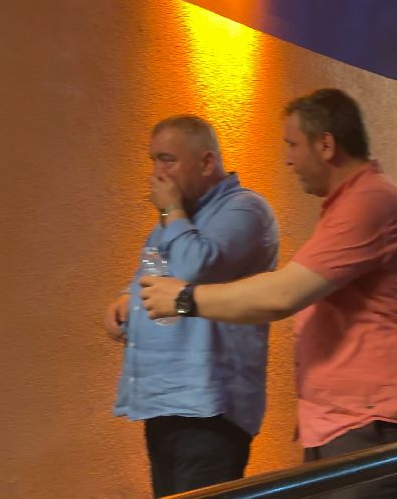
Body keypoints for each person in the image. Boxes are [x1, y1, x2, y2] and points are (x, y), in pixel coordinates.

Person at [140, 89, 397, 498]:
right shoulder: (349, 204)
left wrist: (184, 299)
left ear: (326, 145)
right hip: (346, 418)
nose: (288, 159)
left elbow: (284, 293)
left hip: (376, 419)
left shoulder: (371, 201)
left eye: (292, 144)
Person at [104, 115, 278, 497]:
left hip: (209, 409)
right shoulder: (175, 220)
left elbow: (192, 270)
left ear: (206, 162)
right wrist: (125, 300)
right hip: (164, 402)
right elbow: (151, 273)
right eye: (153, 160)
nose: (157, 173)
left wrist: (171, 210)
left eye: (167, 160)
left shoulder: (245, 209)